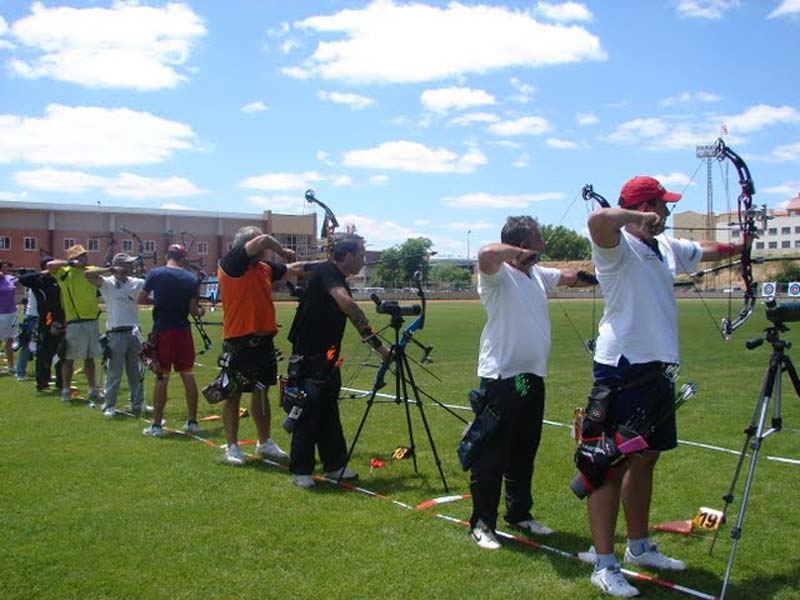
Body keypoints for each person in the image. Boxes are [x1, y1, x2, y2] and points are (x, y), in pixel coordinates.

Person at [582, 175, 739, 597]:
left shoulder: (664, 245)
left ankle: (638, 547)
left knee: (646, 458)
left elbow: (706, 250)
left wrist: (741, 245)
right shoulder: (615, 246)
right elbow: (599, 220)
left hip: (657, 369)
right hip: (622, 368)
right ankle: (604, 564)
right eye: (661, 205)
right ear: (643, 208)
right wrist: (636, 218)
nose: (667, 211)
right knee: (608, 465)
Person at [468, 215, 594, 550]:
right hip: (502, 377)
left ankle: (519, 513)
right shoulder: (497, 276)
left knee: (524, 449)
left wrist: (597, 276)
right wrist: (517, 255)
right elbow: (486, 253)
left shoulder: (537, 274)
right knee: (492, 452)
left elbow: (569, 276)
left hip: (530, 378)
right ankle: (482, 523)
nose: (544, 244)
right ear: (523, 244)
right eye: (538, 239)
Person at [286, 233, 389, 488]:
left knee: (329, 411)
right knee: (308, 412)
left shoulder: (331, 273)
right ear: (349, 255)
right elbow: (348, 305)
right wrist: (380, 347)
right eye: (361, 255)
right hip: (310, 358)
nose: (364, 261)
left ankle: (334, 466)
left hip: (329, 357)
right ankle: (301, 471)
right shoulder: (328, 273)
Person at [216, 226, 314, 465]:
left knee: (261, 392)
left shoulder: (263, 268)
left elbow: (294, 269)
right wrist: (283, 251)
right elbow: (264, 240)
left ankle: (264, 441)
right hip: (239, 341)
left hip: (263, 342)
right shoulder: (232, 263)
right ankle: (232, 447)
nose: (265, 251)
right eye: (260, 247)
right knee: (233, 394)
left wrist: (328, 265)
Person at [138, 244, 204, 437]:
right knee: (188, 375)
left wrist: (157, 302)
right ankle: (192, 422)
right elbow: (194, 311)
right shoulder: (191, 278)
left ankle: (157, 426)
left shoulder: (155, 273)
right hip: (183, 332)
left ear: (167, 255)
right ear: (183, 258)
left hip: (163, 331)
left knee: (162, 377)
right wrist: (201, 311)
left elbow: (141, 299)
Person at [85, 253, 146, 417]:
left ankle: (137, 403)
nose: (131, 267)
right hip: (115, 333)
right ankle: (109, 405)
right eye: (127, 264)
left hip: (134, 331)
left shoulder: (137, 282)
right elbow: (88, 274)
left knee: (136, 371)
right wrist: (110, 269)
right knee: (114, 372)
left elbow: (152, 286)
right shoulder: (107, 282)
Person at [47, 245, 103, 406]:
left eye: (85, 255)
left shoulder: (90, 270)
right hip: (75, 320)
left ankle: (92, 389)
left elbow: (103, 272)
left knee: (90, 357)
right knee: (69, 358)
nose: (85, 258)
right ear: (73, 259)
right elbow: (49, 265)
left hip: (91, 319)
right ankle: (66, 389)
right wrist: (70, 263)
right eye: (81, 256)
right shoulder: (64, 272)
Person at [19, 257, 65, 392]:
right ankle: (42, 382)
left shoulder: (60, 279)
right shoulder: (39, 281)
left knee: (62, 352)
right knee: (44, 352)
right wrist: (45, 272)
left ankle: (61, 382)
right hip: (46, 321)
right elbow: (23, 279)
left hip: (62, 319)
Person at [15, 284, 38, 380]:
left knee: (44, 347)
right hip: (33, 317)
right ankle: (20, 373)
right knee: (27, 346)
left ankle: (43, 373)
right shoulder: (35, 285)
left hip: (41, 316)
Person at [0, 266, 18, 375]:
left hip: (12, 313)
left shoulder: (10, 278)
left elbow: (20, 280)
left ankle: (11, 366)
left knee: (10, 340)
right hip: (0, 314)